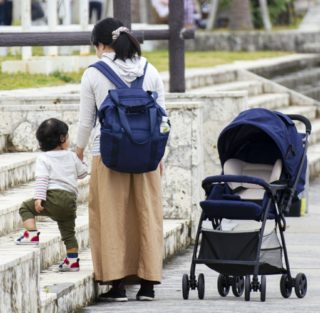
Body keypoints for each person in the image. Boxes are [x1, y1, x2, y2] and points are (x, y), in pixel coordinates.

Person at [76, 17, 165, 302]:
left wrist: (78, 150)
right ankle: (148, 283)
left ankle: (117, 284)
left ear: (101, 44)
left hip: (108, 154)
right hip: (147, 155)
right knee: (146, 215)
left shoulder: (93, 73)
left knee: (111, 217)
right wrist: (161, 154)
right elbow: (163, 118)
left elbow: (86, 121)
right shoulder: (150, 69)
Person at [16, 118, 88, 272]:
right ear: (62, 138)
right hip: (70, 201)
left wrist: (39, 197)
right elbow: (83, 174)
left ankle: (31, 234)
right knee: (69, 233)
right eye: (67, 136)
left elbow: (42, 179)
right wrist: (82, 160)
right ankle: (73, 262)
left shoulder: (43, 158)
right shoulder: (71, 156)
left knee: (25, 208)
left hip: (52, 197)